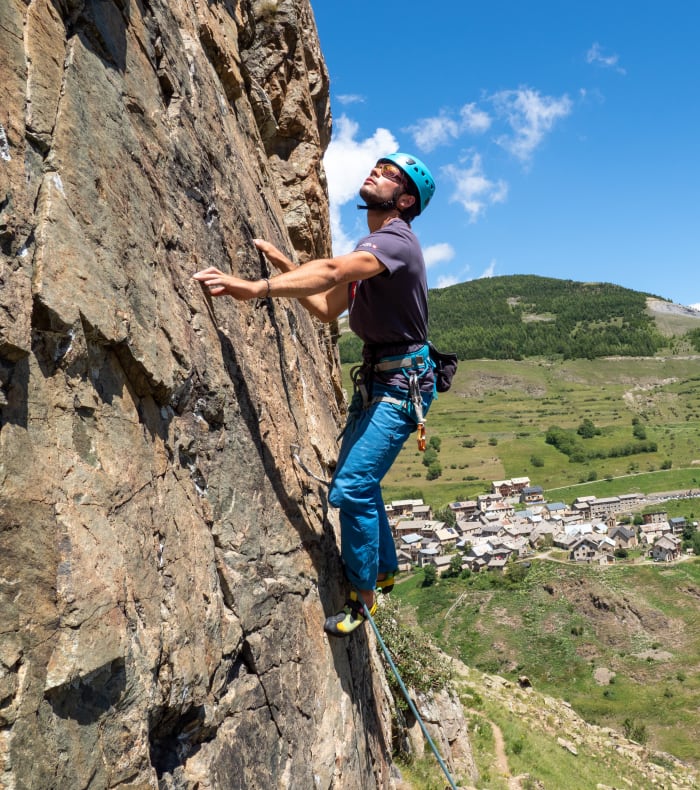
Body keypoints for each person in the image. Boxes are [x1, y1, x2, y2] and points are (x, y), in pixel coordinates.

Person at [193, 153, 436, 636]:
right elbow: (327, 307)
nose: (376, 173)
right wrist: (287, 266)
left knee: (352, 488)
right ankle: (384, 568)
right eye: (378, 166)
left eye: (390, 175)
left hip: (400, 385)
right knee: (359, 480)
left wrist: (256, 287)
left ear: (405, 200)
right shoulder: (377, 250)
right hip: (378, 381)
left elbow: (329, 271)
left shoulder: (395, 241)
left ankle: (362, 600)